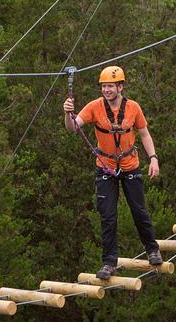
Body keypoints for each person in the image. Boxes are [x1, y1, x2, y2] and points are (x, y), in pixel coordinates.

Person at [62, 65, 163, 280]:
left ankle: (152, 250)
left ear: (120, 86)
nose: (106, 90)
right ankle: (109, 262)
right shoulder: (94, 107)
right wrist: (67, 113)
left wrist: (153, 158)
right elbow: (72, 129)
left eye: (110, 86)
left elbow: (144, 134)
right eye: (104, 86)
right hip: (106, 166)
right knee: (108, 216)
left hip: (129, 165)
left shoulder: (133, 108)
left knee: (139, 211)